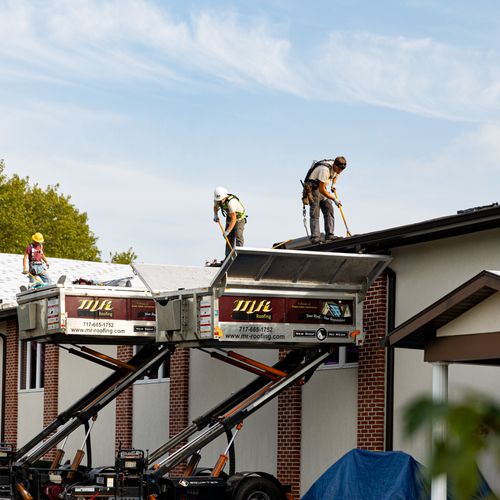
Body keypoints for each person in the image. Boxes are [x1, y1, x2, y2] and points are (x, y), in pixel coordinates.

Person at [303, 156, 347, 244]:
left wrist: (333, 185)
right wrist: (334, 199)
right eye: (339, 169)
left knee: (329, 209)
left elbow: (336, 174)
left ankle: (330, 235)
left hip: (322, 187)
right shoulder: (324, 170)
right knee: (315, 213)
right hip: (313, 188)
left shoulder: (337, 167)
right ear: (335, 165)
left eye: (341, 170)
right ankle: (315, 237)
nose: (340, 172)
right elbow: (321, 190)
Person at [213, 187, 247, 256]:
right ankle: (228, 256)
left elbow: (234, 219)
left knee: (238, 234)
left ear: (224, 197)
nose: (220, 201)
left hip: (239, 218)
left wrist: (228, 231)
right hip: (230, 216)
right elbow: (215, 207)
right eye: (219, 200)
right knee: (228, 237)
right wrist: (215, 215)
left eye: (221, 199)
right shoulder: (217, 200)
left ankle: (239, 255)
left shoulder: (231, 202)